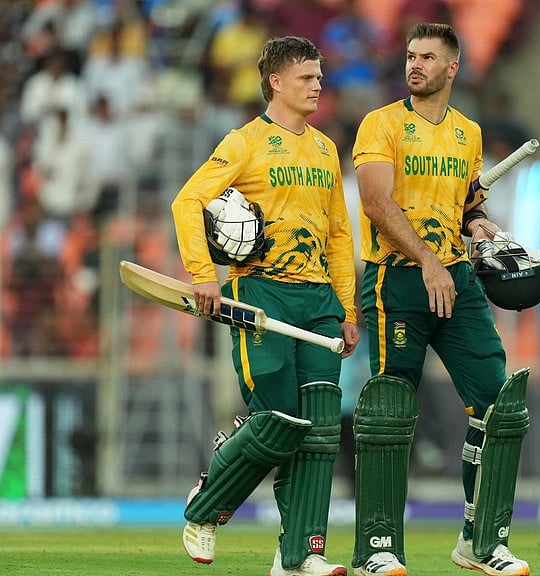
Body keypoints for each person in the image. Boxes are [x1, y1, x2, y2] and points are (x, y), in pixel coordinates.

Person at [170, 36, 359, 576]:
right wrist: (204, 276)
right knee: (278, 421)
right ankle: (205, 508)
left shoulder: (325, 148)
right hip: (261, 292)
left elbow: (340, 236)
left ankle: (301, 556)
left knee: (318, 429)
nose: (318, 84)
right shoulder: (244, 142)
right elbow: (188, 201)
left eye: (320, 75)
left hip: (319, 298)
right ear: (276, 81)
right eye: (306, 76)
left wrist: (346, 309)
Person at [350, 23, 531, 576]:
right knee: (390, 411)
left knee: (498, 405)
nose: (415, 64)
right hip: (396, 281)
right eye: (410, 55)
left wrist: (477, 224)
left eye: (428, 57)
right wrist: (428, 259)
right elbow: (378, 204)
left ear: (453, 68)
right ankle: (377, 548)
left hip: (454, 276)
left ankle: (482, 541)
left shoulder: (467, 134)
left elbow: (466, 205)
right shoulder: (381, 124)